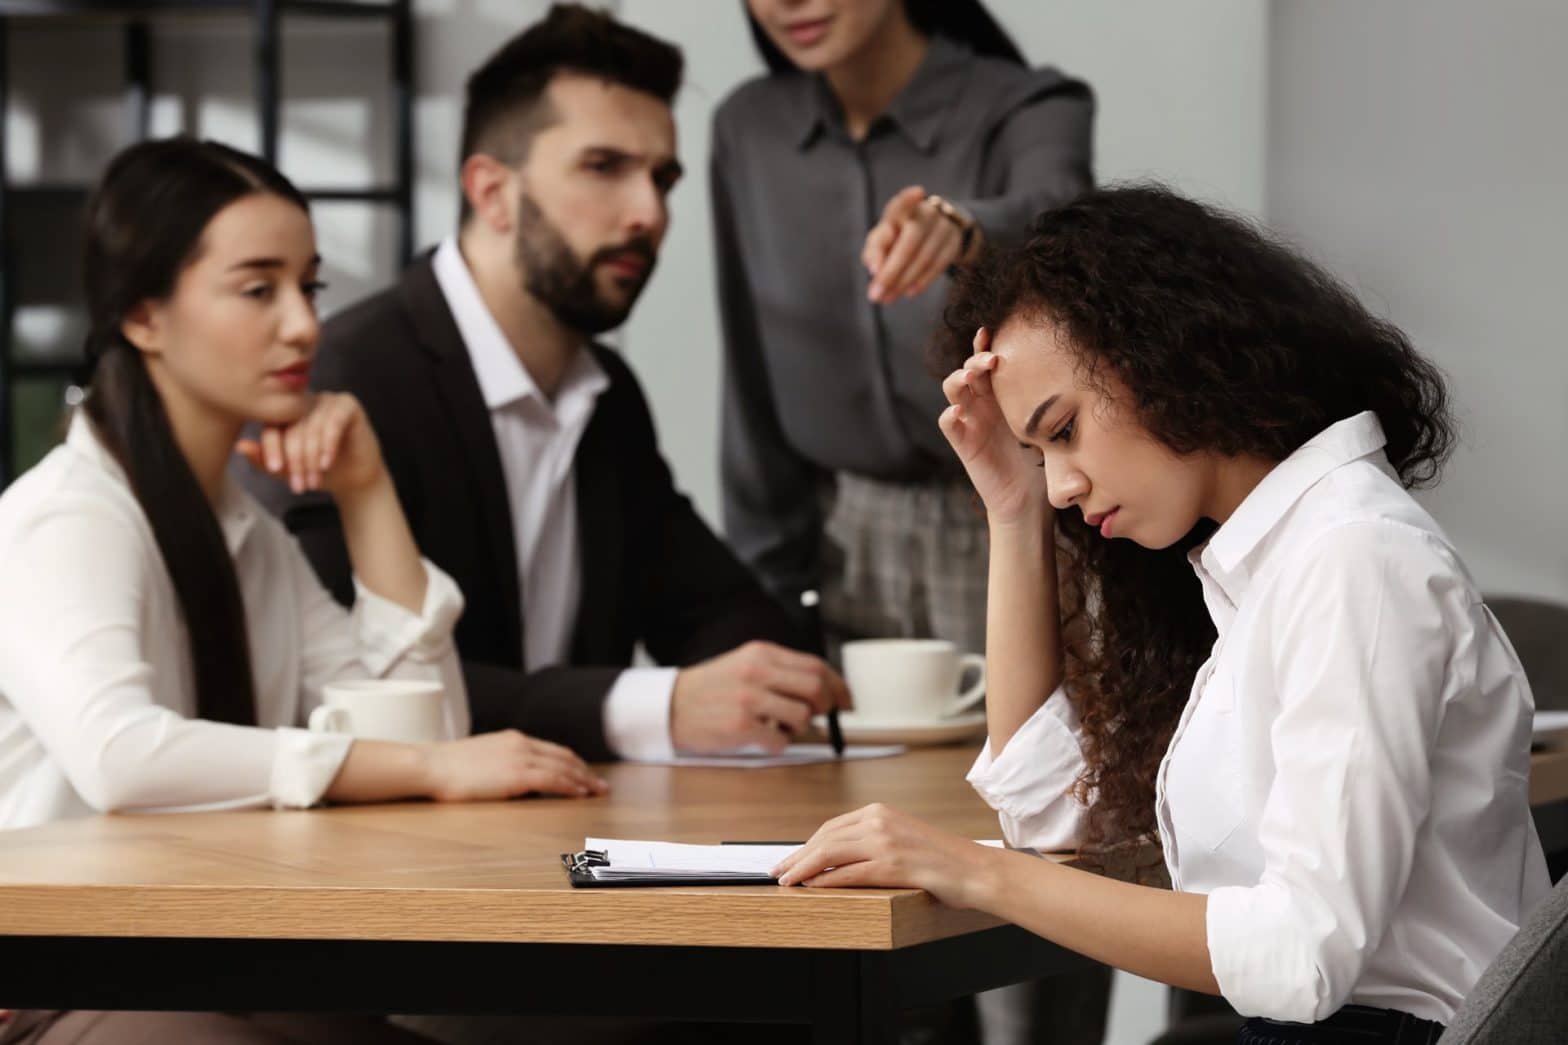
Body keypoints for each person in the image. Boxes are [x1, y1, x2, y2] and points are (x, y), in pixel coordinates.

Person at [772, 185, 1552, 1044]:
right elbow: (1050, 815)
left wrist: (972, 874)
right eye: (1041, 454)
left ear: (1166, 353)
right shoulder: (1268, 568)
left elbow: (1303, 953)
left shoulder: (1355, 561)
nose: (1062, 485)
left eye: (1063, 430)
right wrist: (1013, 508)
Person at [0, 138, 606, 1043]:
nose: (303, 326)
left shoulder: (247, 533)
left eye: (309, 287)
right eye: (258, 288)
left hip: (205, 956)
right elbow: (123, 755)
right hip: (55, 983)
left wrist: (366, 492)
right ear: (143, 314)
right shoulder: (69, 515)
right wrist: (431, 771)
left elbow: (424, 729)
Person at [253, 4, 849, 766]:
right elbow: (346, 686)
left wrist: (779, 673)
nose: (650, 213)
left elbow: (717, 614)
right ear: (491, 191)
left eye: (663, 178)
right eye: (604, 168)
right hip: (388, 860)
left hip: (567, 839)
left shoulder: (607, 393)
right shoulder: (345, 381)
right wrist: (652, 705)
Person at [716, 0, 1092, 659]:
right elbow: (750, 375)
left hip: (1015, 516)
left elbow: (1058, 214)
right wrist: (765, 593)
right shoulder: (748, 130)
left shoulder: (1029, 106)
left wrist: (966, 229)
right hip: (840, 548)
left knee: (1034, 758)